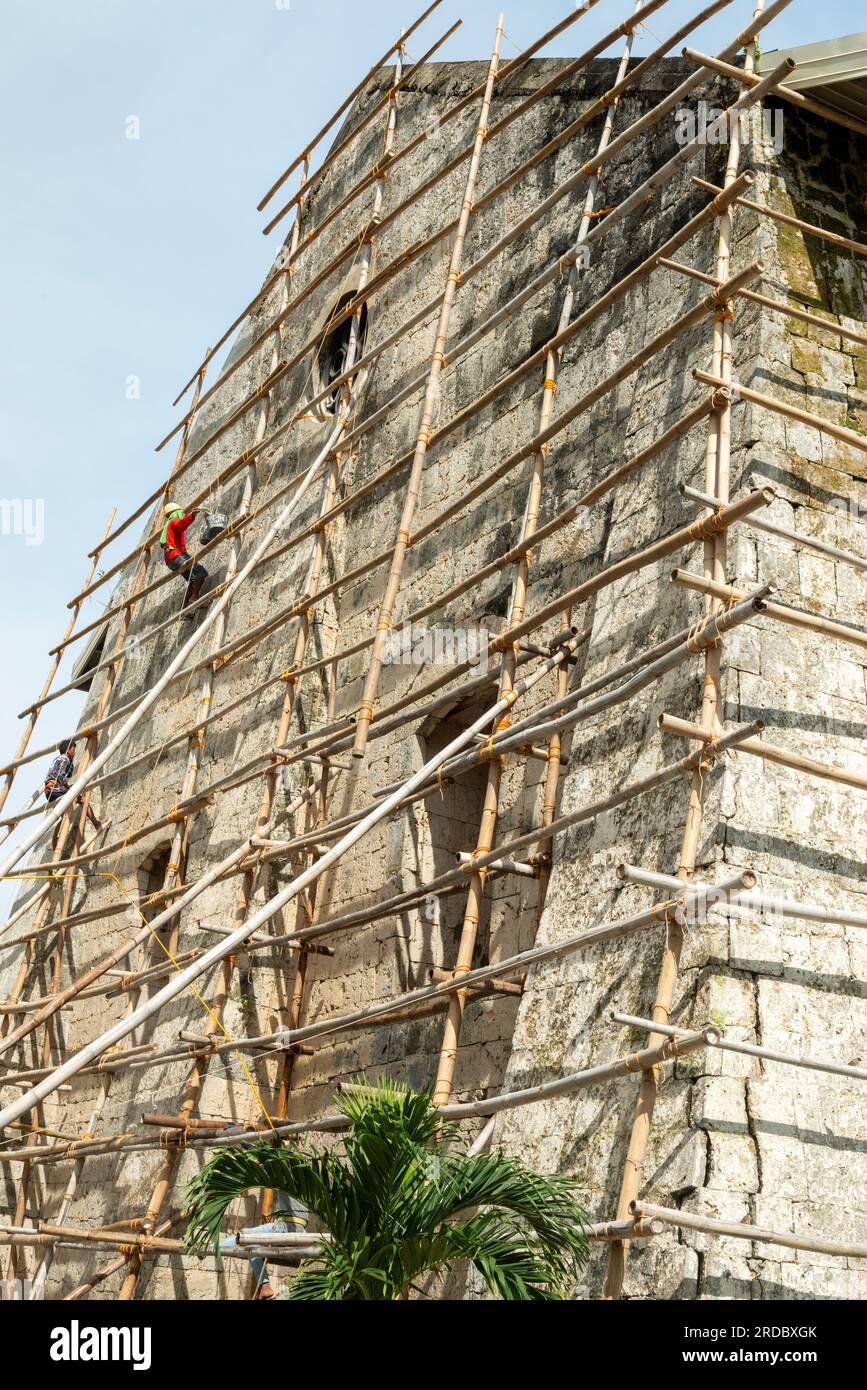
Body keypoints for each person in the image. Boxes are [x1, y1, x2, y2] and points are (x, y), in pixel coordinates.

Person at [217, 1125, 309, 1300]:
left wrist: (241, 1139)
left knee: (245, 1237)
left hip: (286, 1227)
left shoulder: (286, 1169)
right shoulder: (303, 1176)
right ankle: (264, 1285)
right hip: (297, 1228)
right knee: (252, 1244)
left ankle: (210, 1248)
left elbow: (264, 1155)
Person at [44, 739, 103, 851]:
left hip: (49, 790)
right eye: (73, 749)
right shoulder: (64, 759)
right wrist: (69, 788)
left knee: (63, 816)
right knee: (82, 800)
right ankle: (96, 823)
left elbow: (63, 774)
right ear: (68, 750)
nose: (74, 751)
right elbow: (61, 777)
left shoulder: (58, 759)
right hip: (55, 788)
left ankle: (54, 844)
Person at [160, 504, 208, 610]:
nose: (182, 514)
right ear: (176, 512)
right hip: (176, 555)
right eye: (181, 512)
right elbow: (181, 524)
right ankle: (194, 598)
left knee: (192, 579)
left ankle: (184, 608)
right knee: (201, 572)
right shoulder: (174, 521)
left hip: (170, 559)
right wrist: (193, 515)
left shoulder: (168, 525)